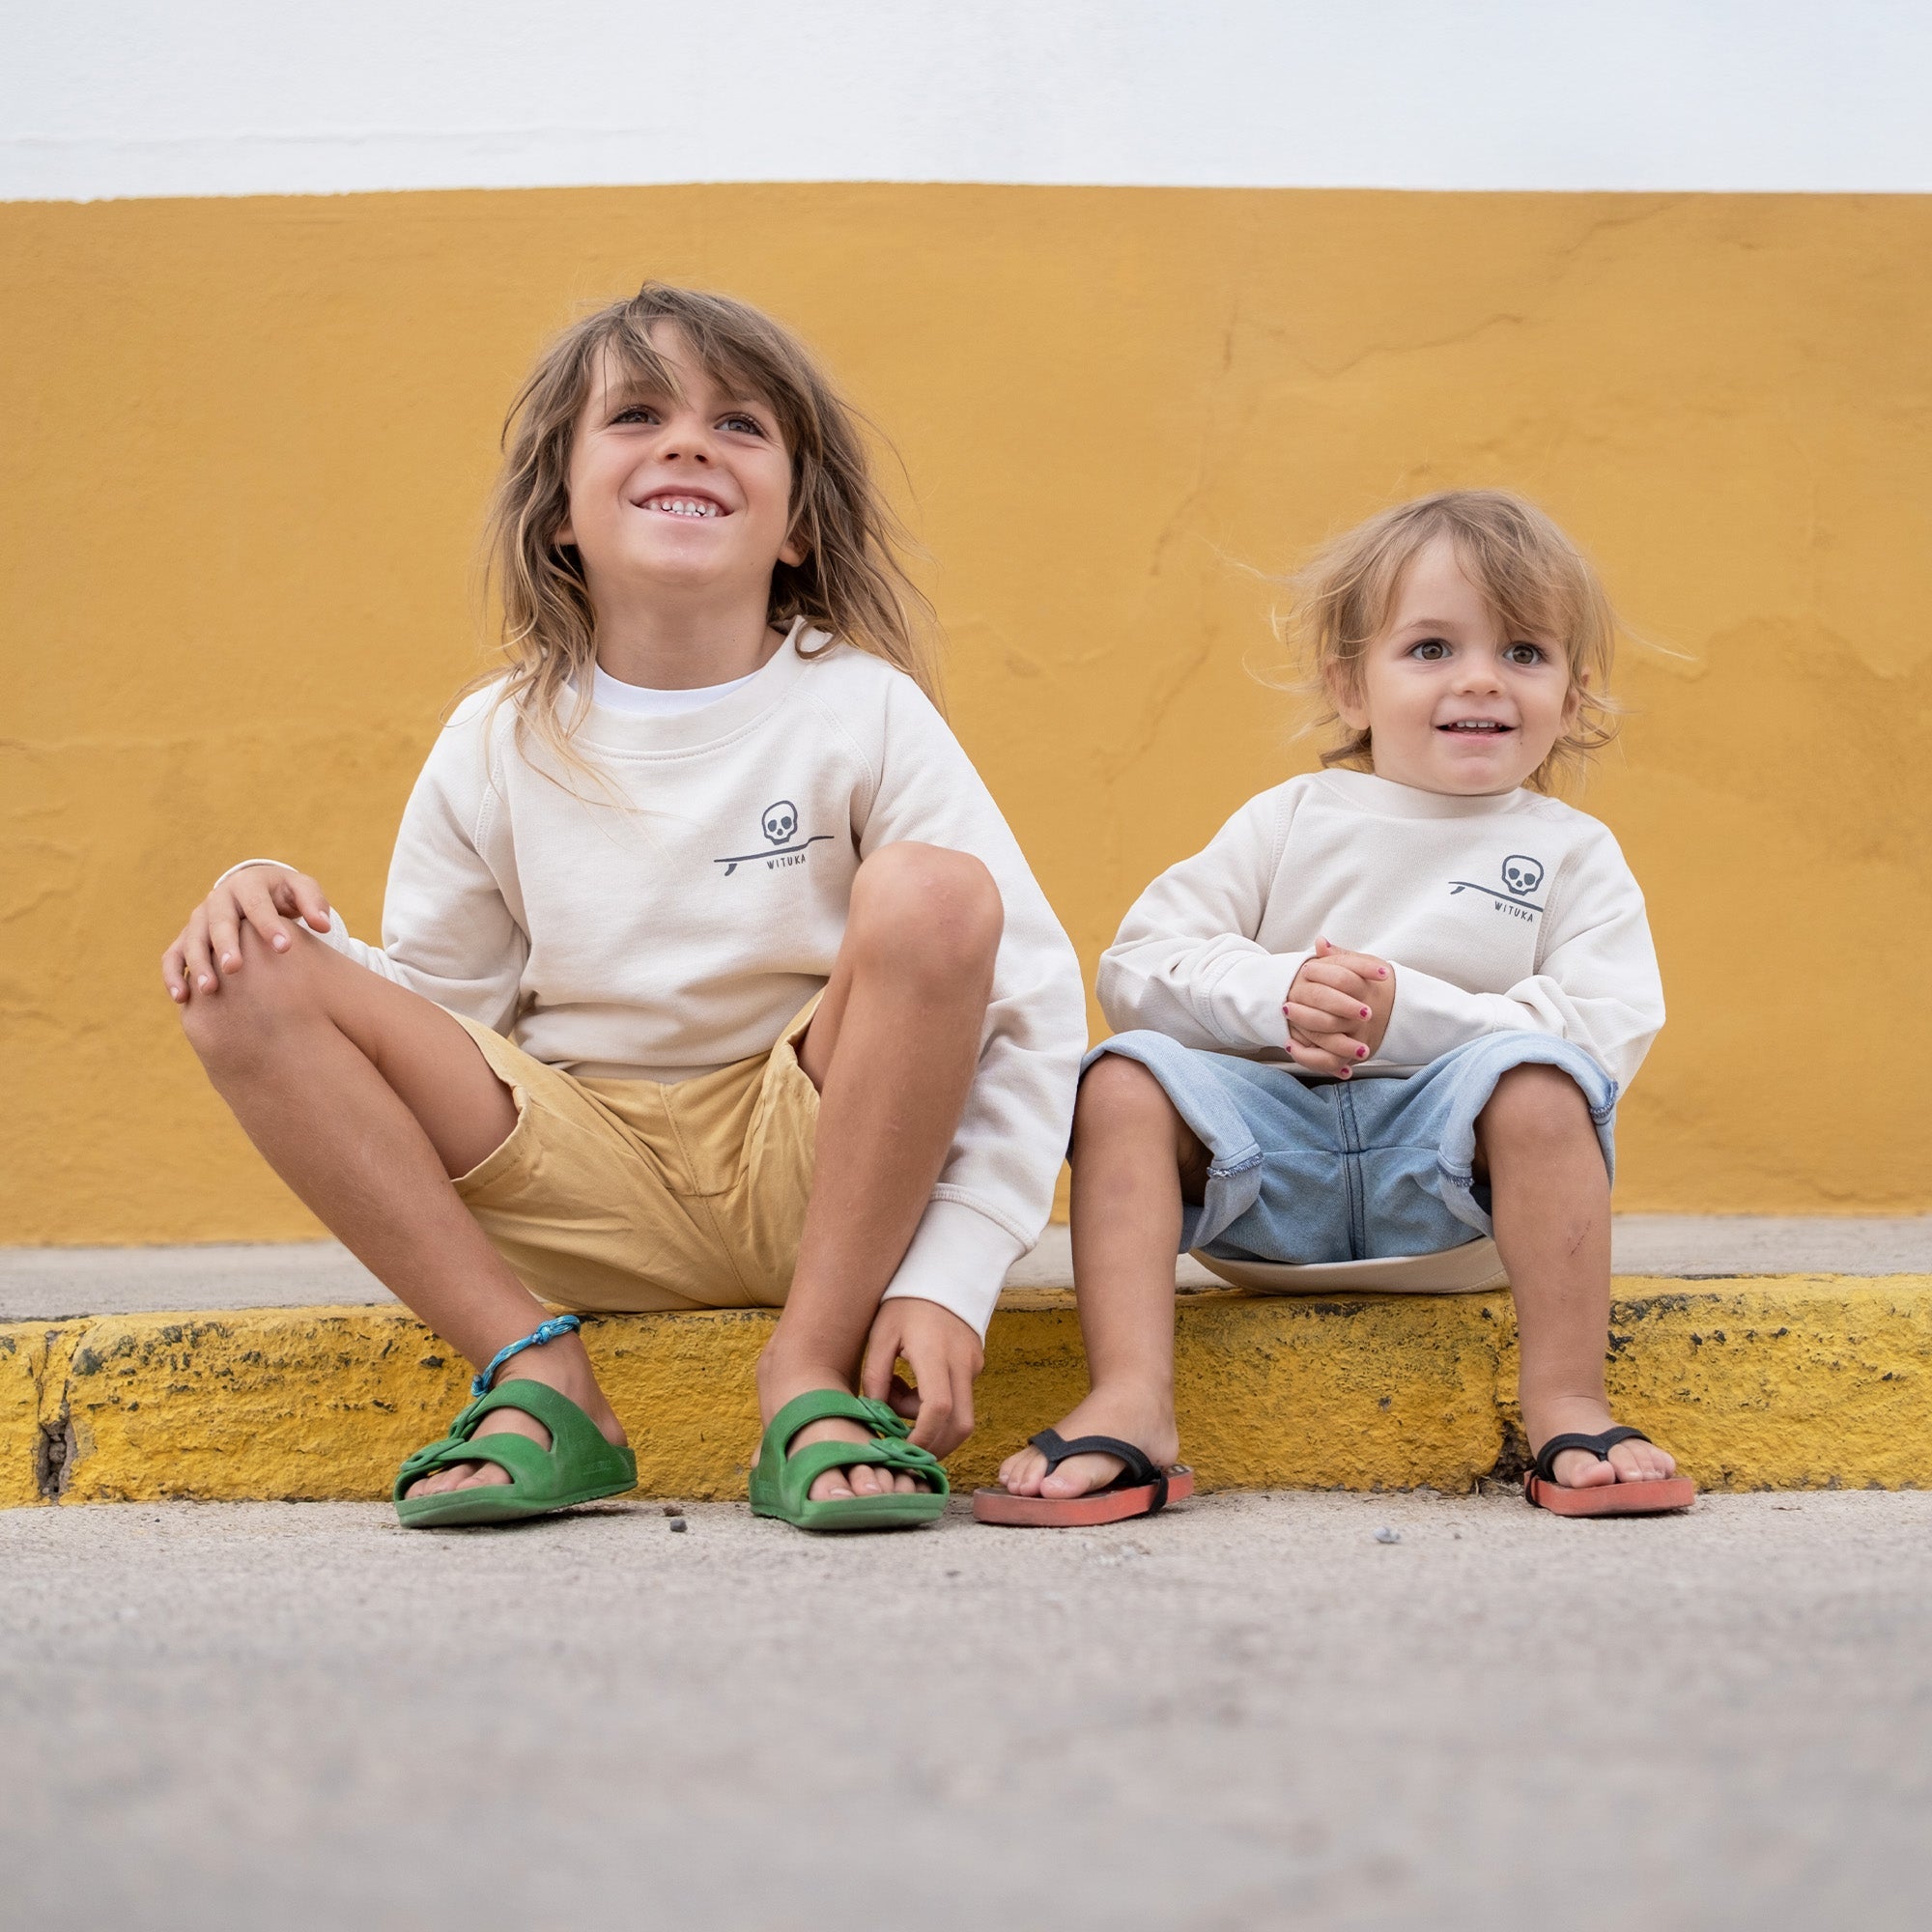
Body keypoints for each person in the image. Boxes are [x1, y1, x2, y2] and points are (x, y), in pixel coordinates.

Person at [162, 281, 1087, 1532]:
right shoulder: (496, 738)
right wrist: (287, 931)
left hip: (824, 1170)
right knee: (243, 967)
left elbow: (1027, 1000)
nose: (688, 441)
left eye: (740, 424)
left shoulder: (857, 706)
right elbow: (442, 1020)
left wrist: (956, 1269)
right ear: (559, 513)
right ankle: (537, 1373)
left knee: (936, 893)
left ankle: (807, 1374)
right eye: (638, 414)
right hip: (571, 1172)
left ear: (800, 529)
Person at [982, 489, 1693, 1525]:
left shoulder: (1568, 852)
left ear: (1573, 698)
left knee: (1544, 1086)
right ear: (1348, 684)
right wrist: (1275, 995)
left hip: (1448, 1199)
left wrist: (1409, 1012)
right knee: (1120, 1077)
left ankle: (1566, 1404)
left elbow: (1602, 1031)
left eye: (1525, 653)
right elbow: (1138, 964)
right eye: (1431, 647)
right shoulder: (1289, 820)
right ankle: (1131, 1401)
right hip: (1264, 1171)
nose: (1481, 679)